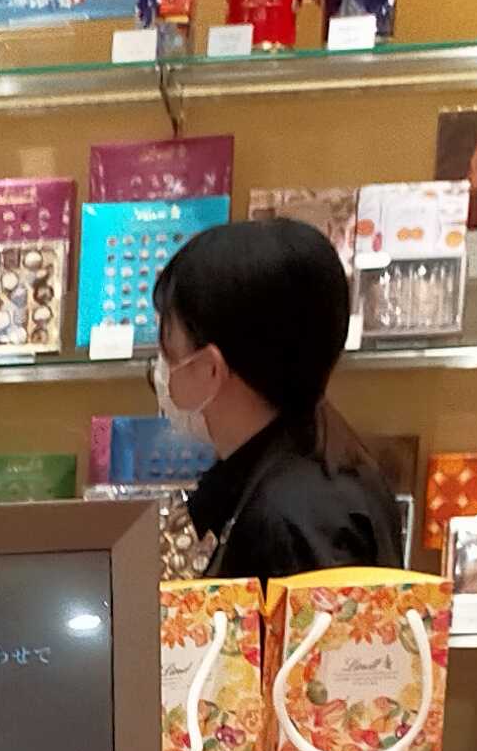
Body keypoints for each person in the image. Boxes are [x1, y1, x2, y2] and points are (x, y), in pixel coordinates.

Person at [151, 219, 406, 582]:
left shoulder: (286, 521)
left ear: (210, 368)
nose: (160, 370)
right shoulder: (325, 465)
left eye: (169, 350)